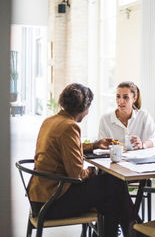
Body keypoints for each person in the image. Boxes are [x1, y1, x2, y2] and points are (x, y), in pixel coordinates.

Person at [28, 83, 138, 237]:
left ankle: (126, 231)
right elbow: (77, 174)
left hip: (39, 196)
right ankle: (135, 230)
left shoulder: (51, 121)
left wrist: (95, 145)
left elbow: (64, 147)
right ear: (84, 108)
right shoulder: (70, 127)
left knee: (110, 197)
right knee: (114, 183)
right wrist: (92, 171)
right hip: (53, 202)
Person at [98, 81, 155, 149]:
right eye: (118, 96)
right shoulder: (105, 119)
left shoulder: (144, 116)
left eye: (125, 97)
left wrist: (142, 144)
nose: (121, 101)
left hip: (138, 158)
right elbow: (101, 144)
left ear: (134, 99)